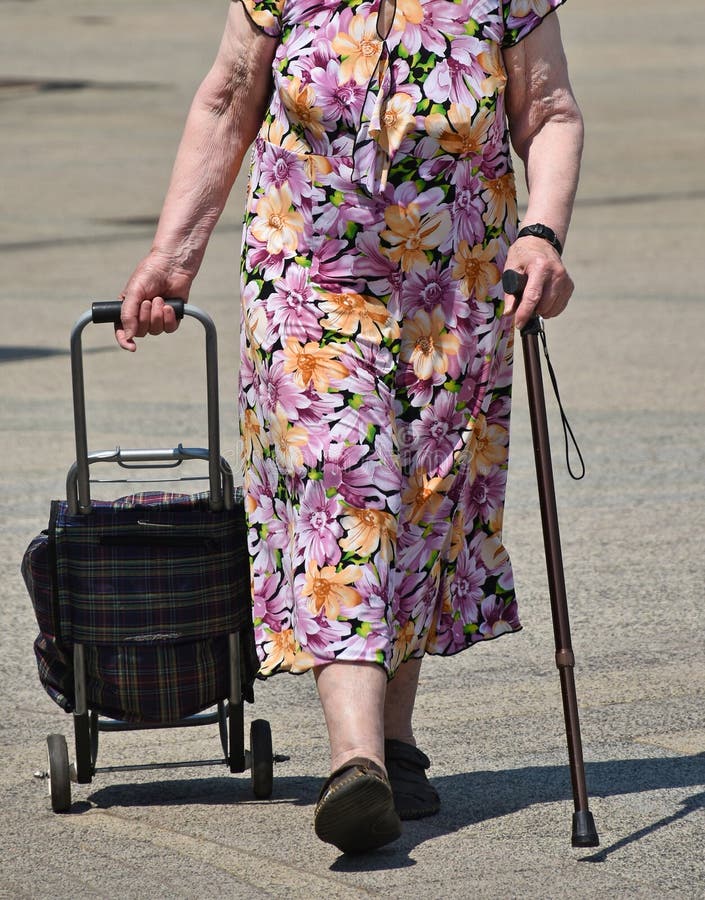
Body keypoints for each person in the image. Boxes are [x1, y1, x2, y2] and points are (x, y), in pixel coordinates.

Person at [116, 0, 583, 855]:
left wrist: (541, 235)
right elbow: (227, 101)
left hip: (458, 288)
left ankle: (393, 747)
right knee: (344, 484)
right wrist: (174, 257)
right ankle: (355, 761)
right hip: (309, 282)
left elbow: (547, 113)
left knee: (420, 503)